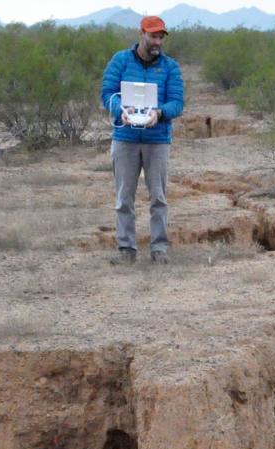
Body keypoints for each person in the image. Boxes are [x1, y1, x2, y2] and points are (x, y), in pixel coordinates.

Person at [100, 16, 184, 264]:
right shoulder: (120, 61)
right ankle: (126, 249)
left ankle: (159, 249)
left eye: (161, 37)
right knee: (124, 196)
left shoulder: (170, 67)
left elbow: (177, 103)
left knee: (158, 196)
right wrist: (119, 110)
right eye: (153, 36)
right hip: (125, 138)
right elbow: (107, 93)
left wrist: (159, 113)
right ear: (142, 34)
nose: (157, 41)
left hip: (157, 140)